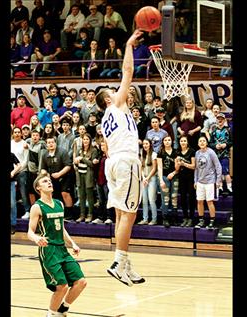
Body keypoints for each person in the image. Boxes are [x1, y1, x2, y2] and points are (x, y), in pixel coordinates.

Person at [95, 29, 145, 287]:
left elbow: (105, 147)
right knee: (130, 214)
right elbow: (128, 72)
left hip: (114, 163)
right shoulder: (116, 105)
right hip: (125, 162)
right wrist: (128, 45)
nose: (121, 91)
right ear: (108, 98)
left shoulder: (105, 120)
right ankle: (118, 261)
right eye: (114, 91)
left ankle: (126, 263)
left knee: (119, 215)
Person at [27, 171, 87, 317]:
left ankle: (63, 309)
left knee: (81, 282)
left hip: (62, 249)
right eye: (45, 182)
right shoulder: (37, 207)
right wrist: (36, 238)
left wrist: (72, 243)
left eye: (49, 180)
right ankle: (51, 314)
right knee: (62, 286)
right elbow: (30, 232)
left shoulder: (59, 203)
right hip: (49, 250)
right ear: (38, 188)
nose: (49, 182)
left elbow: (62, 228)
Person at [194, 136, 222, 229]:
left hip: (210, 181)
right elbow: (196, 169)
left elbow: (218, 166)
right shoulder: (197, 153)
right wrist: (195, 181)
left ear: (206, 142)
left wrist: (218, 181)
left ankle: (212, 221)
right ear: (198, 144)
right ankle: (201, 221)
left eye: (203, 141)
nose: (202, 142)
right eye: (200, 141)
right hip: (200, 182)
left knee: (209, 202)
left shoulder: (211, 152)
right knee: (199, 201)